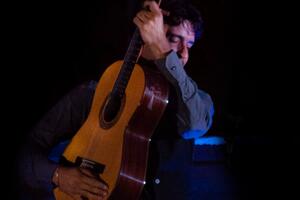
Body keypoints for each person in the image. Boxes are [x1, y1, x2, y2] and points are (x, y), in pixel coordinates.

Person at [17, 0, 214, 199]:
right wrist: (58, 175)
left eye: (189, 44)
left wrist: (163, 50)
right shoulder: (92, 93)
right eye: (173, 38)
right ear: (144, 35)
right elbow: (25, 151)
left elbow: (194, 124)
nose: (183, 54)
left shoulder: (195, 101)